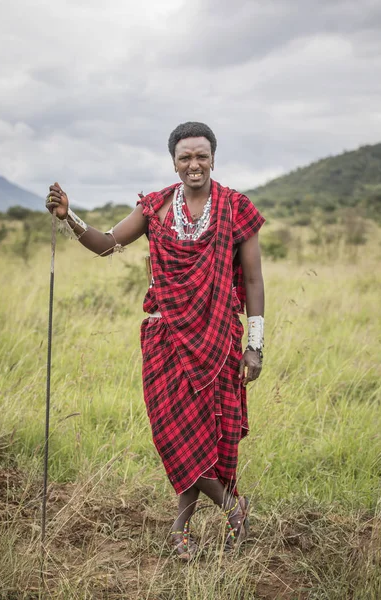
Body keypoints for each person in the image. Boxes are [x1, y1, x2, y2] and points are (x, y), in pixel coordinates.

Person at [46, 121, 265, 560]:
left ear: (213, 158)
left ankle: (180, 531)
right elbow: (106, 244)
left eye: (201, 155)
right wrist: (68, 216)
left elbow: (255, 281)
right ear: (174, 162)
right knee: (172, 434)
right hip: (165, 338)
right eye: (185, 157)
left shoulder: (236, 207)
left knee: (206, 435)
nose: (194, 164)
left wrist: (255, 345)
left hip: (219, 339)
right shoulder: (155, 208)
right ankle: (232, 507)